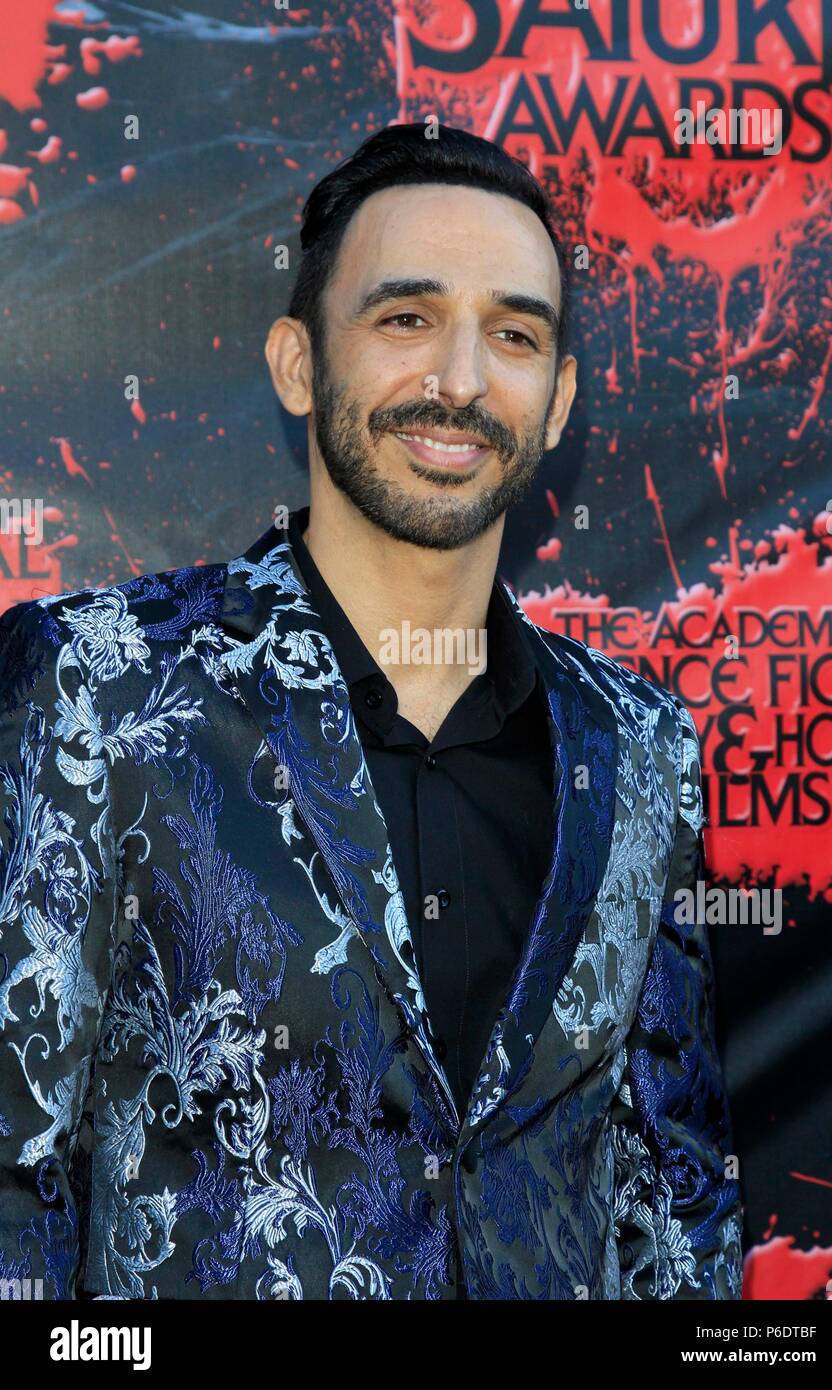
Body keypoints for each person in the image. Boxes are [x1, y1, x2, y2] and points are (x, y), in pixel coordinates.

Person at [0, 122, 742, 1300]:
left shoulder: (641, 745)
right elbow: (12, 1177)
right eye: (405, 317)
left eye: (513, 333)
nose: (457, 378)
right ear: (298, 365)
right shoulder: (100, 681)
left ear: (555, 403)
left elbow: (674, 1199)